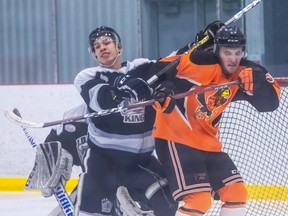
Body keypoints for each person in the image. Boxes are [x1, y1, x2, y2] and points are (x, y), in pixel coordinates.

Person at [73, 23, 224, 216]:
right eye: (96, 46)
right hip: (104, 162)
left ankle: (126, 204)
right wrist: (122, 87)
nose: (102, 47)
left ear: (119, 47)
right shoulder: (87, 76)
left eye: (107, 42)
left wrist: (198, 45)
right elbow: (100, 100)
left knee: (168, 203)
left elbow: (172, 63)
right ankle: (115, 204)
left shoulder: (142, 67)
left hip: (139, 161)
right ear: (94, 55)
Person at [145, 26, 281, 216]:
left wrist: (259, 84)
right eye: (227, 53)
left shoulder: (246, 71)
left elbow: (270, 104)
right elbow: (157, 70)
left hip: (208, 143)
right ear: (217, 51)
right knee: (199, 200)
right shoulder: (197, 62)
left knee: (236, 192)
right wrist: (162, 88)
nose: (233, 59)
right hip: (175, 138)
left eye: (238, 52)